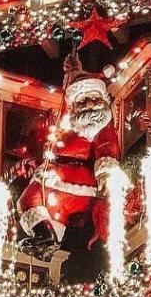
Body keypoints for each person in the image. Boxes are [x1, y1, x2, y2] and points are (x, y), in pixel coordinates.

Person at [16, 54, 120, 257]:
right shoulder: (71, 119)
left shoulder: (101, 124)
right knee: (49, 208)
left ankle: (45, 235)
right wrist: (72, 72)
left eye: (93, 99)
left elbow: (108, 148)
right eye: (84, 100)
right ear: (75, 104)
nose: (89, 104)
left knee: (30, 197)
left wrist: (106, 175)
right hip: (58, 177)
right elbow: (65, 102)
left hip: (77, 179)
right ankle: (48, 238)